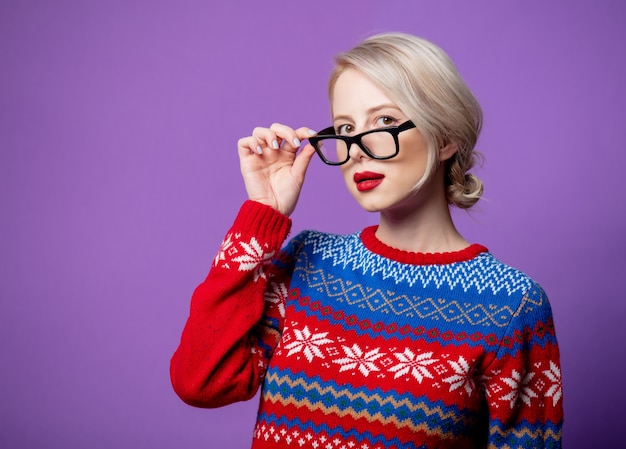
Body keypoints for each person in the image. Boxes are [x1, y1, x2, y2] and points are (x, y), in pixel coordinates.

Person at [170, 32, 563, 449]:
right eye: (345, 128)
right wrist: (263, 214)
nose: (357, 148)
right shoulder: (307, 261)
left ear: (445, 137)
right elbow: (202, 382)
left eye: (385, 121)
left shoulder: (510, 304)